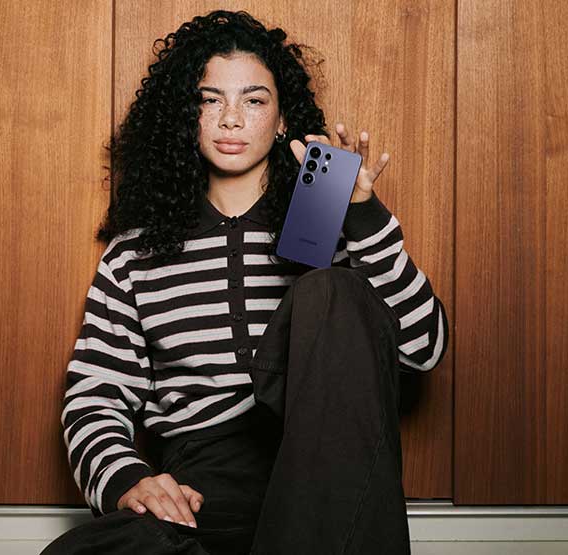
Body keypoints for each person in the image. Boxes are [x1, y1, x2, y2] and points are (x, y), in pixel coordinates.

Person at [41, 9, 448, 555]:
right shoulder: (134, 253)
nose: (231, 118)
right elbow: (94, 394)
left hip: (321, 474)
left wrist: (362, 219)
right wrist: (126, 480)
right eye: (211, 100)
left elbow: (424, 351)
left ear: (282, 120)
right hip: (202, 493)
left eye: (253, 100)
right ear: (188, 116)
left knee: (331, 290)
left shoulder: (328, 226)